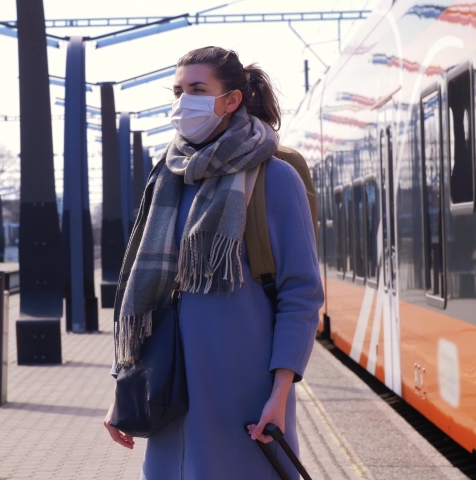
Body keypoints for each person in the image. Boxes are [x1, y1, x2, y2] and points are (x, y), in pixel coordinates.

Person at [103, 46, 324, 479]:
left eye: (198, 89)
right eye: (179, 90)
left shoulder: (275, 178)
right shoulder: (166, 177)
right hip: (170, 397)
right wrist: (123, 389)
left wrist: (280, 393)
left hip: (243, 396)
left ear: (232, 100)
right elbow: (142, 293)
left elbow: (301, 294)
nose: (184, 101)